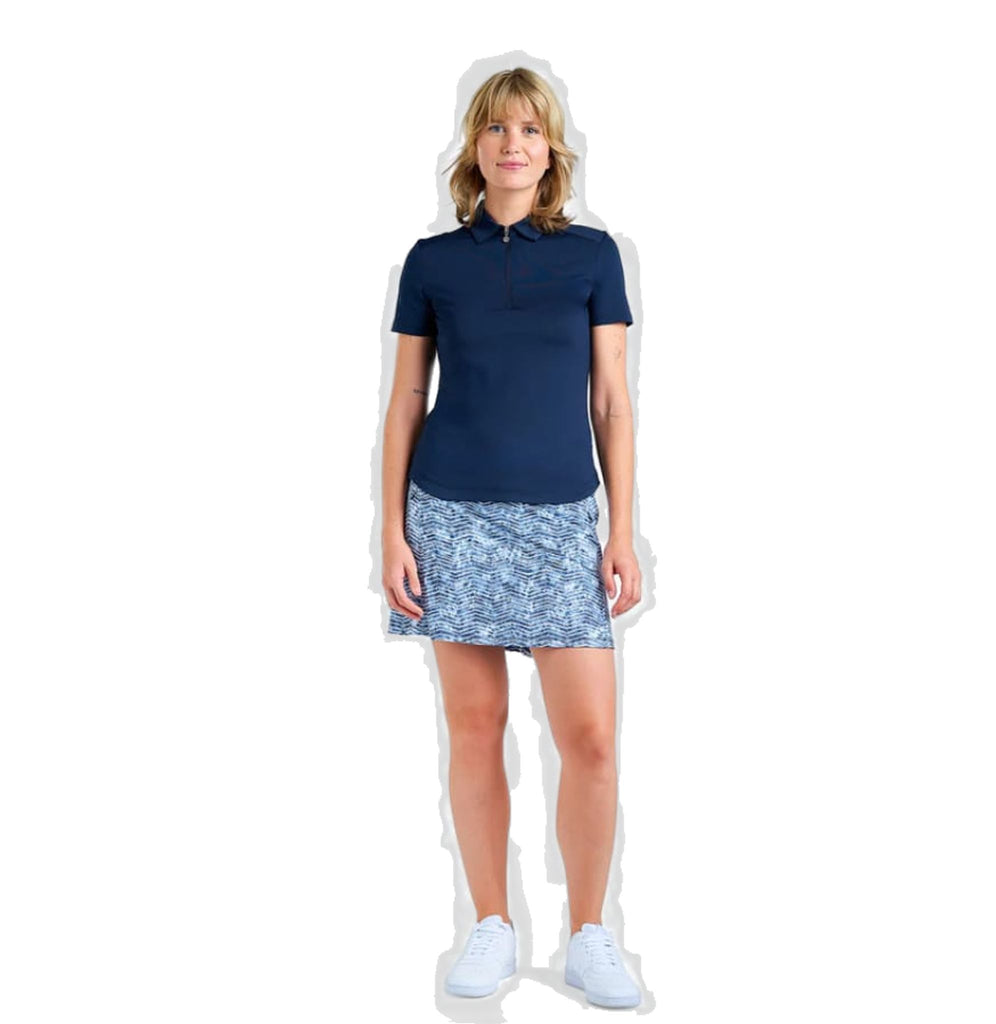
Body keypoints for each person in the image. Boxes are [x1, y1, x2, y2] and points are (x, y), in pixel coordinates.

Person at [381, 67, 643, 1010]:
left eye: (529, 129)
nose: (512, 144)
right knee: (476, 726)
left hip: (563, 519)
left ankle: (590, 934)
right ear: (476, 147)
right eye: (496, 129)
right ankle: (490, 924)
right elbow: (406, 400)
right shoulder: (431, 263)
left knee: (592, 739)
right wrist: (391, 531)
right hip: (451, 514)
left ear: (550, 147)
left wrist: (622, 530)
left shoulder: (593, 257)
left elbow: (611, 402)